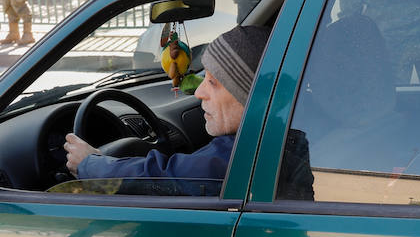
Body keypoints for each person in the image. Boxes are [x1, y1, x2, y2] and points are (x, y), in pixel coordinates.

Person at [64, 25, 270, 183]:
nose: (199, 93)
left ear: (251, 97)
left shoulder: (242, 155)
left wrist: (90, 164)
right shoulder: (272, 138)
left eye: (213, 82)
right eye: (204, 78)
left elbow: (164, 177)